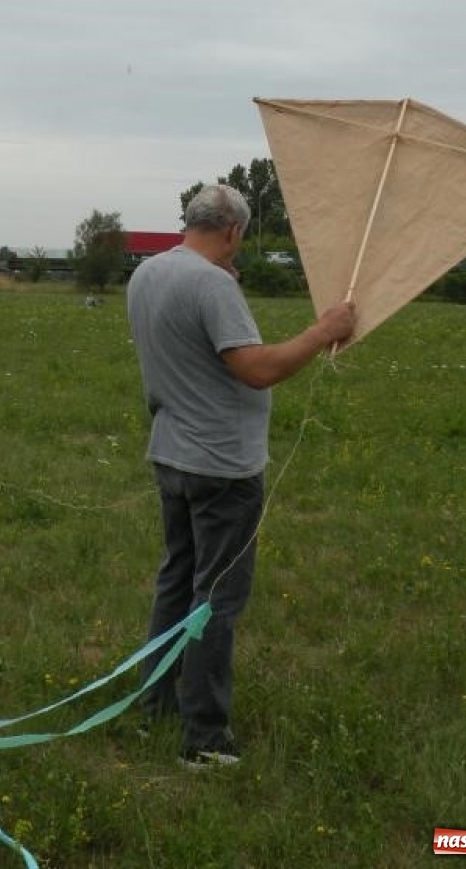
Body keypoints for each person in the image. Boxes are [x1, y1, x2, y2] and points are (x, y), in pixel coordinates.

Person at [126, 183, 355, 768]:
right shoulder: (211, 284)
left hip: (172, 456)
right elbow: (257, 369)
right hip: (221, 467)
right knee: (215, 601)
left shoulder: (148, 273)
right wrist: (324, 330)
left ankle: (156, 706)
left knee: (177, 582)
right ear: (233, 231)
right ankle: (203, 740)